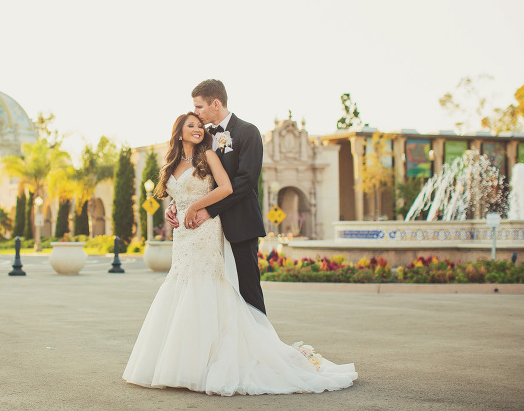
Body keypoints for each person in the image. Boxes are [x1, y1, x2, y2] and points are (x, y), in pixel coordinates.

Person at [122, 111, 357, 395]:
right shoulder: (171, 162)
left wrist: (196, 207)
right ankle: (182, 365)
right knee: (181, 286)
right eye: (191, 125)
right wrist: (175, 207)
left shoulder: (208, 155)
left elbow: (227, 187)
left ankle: (214, 363)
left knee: (206, 285)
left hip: (206, 227)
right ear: (179, 131)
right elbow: (177, 193)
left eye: (199, 125)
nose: (198, 129)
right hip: (182, 234)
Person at [167, 79, 266, 313]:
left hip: (240, 225)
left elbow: (245, 181)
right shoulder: (205, 137)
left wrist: (208, 210)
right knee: (218, 293)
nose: (196, 113)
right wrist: (177, 201)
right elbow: (199, 177)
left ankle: (260, 344)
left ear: (215, 103)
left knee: (247, 290)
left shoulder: (248, 131)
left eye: (199, 107)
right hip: (209, 232)